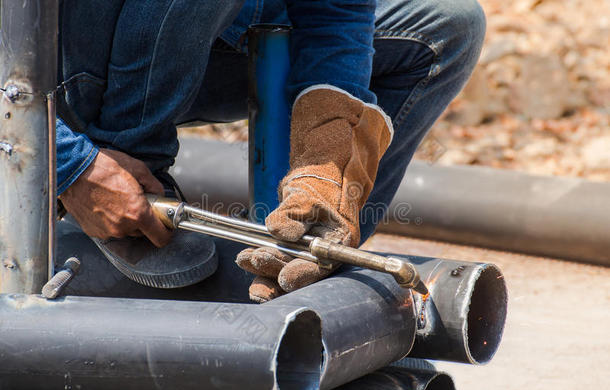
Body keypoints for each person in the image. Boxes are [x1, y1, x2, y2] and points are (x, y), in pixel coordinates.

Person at [57, 0, 486, 302]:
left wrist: (327, 159)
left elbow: (337, 11)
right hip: (52, 62)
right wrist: (74, 167)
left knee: (447, 26)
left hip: (206, 28)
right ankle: (129, 172)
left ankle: (310, 252)